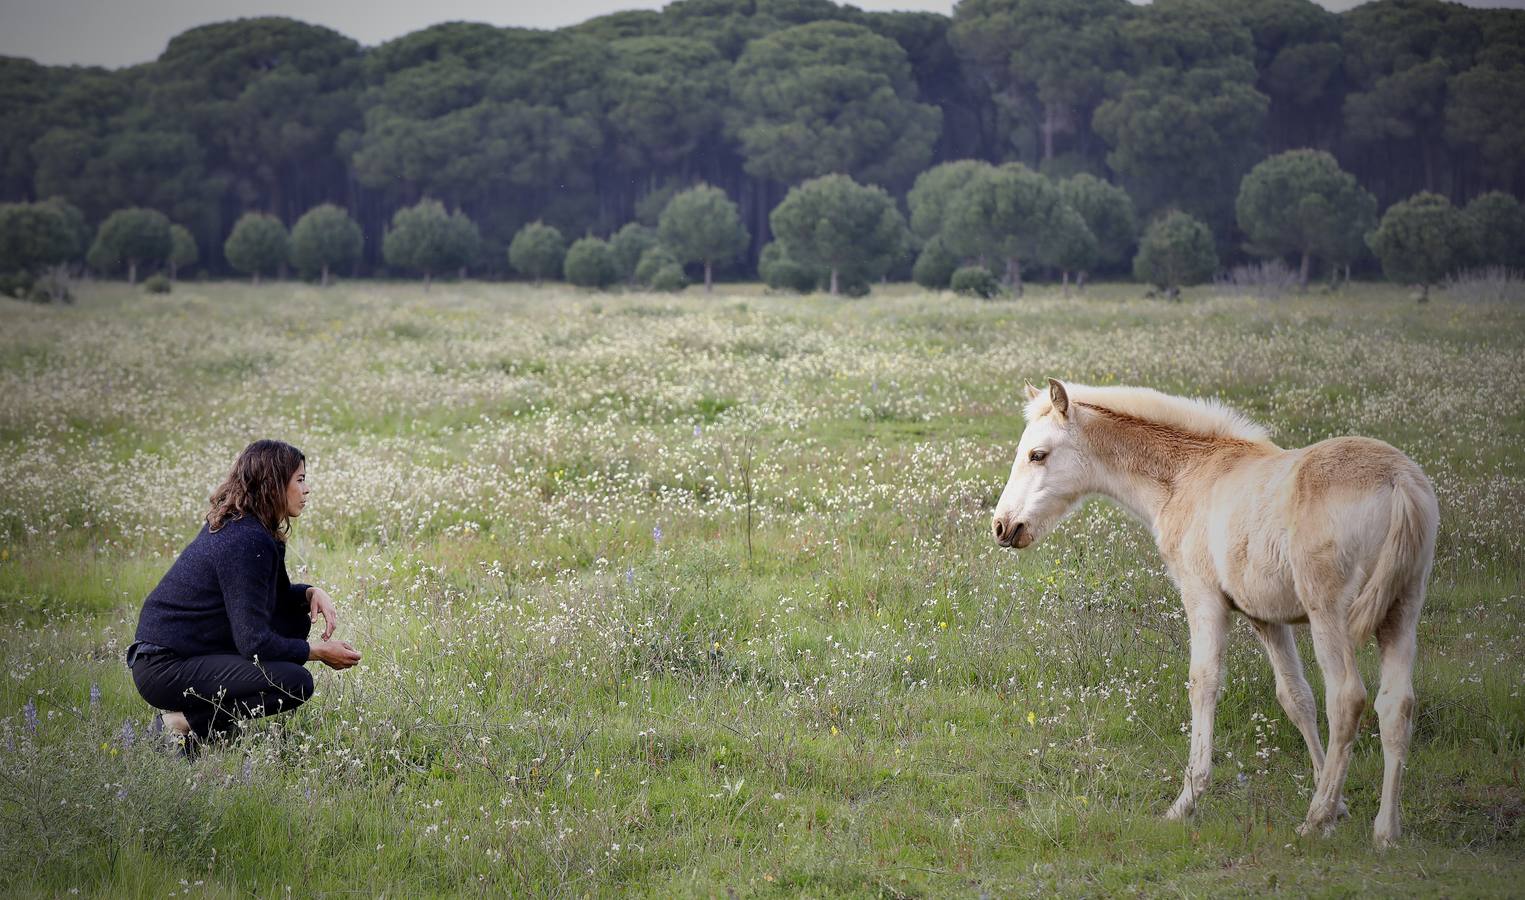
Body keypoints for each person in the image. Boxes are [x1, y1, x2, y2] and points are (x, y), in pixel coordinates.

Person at [126, 439, 361, 750]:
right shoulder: (245, 540)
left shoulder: (248, 528)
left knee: (293, 622)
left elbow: (266, 599)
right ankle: (182, 722)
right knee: (295, 682)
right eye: (300, 480)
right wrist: (316, 651)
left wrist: (310, 593)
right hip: (164, 666)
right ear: (274, 483)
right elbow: (254, 642)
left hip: (181, 656)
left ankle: (209, 729)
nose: (307, 490)